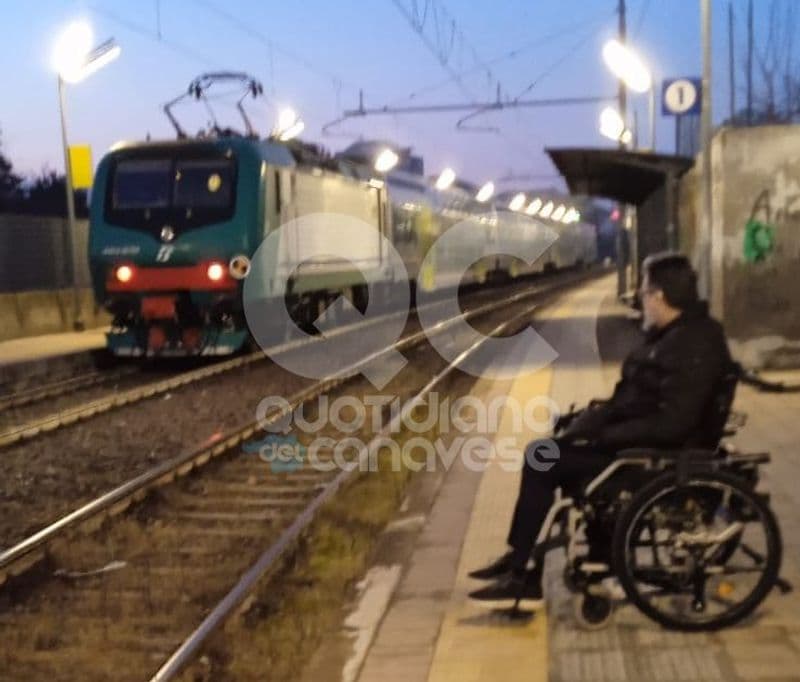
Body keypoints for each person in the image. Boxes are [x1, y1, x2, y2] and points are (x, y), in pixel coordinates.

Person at [469, 252, 732, 609]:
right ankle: (520, 558)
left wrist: (603, 435)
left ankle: (523, 571)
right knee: (545, 453)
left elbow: (674, 423)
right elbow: (643, 401)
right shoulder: (679, 335)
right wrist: (593, 418)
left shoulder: (691, 344)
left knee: (541, 458)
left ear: (659, 296)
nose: (640, 296)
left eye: (643, 290)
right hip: (639, 444)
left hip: (653, 455)